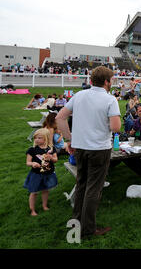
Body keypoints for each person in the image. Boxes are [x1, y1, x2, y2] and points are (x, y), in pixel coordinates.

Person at [56, 66, 121, 238]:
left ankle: (76, 223)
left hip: (81, 148)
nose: (112, 82)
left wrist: (69, 139)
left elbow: (59, 118)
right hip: (99, 149)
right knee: (93, 189)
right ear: (107, 81)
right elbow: (116, 127)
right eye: (112, 79)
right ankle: (88, 230)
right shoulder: (110, 99)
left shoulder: (79, 95)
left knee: (82, 185)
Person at [24, 128, 58, 216]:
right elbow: (27, 162)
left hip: (48, 174)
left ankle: (44, 205)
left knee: (45, 190)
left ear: (46, 138)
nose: (36, 139)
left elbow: (55, 159)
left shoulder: (51, 149)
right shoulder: (32, 150)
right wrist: (33, 163)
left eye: (39, 138)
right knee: (34, 192)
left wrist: (51, 158)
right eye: (35, 138)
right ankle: (32, 210)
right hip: (36, 174)